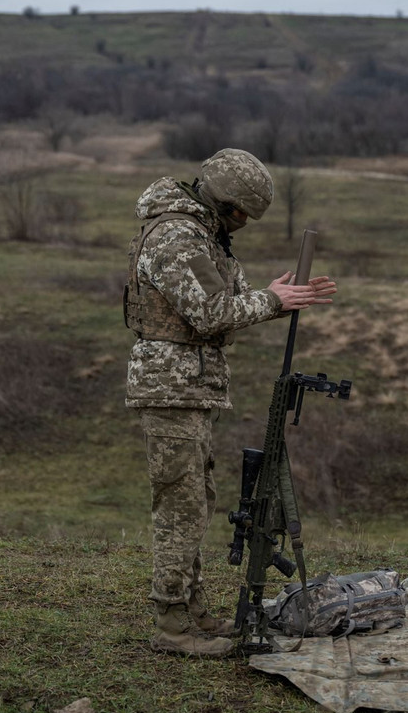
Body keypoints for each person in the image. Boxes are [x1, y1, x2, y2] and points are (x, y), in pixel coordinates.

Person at [124, 148, 336, 657]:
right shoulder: (177, 235)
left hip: (189, 388)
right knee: (180, 507)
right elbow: (211, 312)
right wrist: (272, 302)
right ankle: (172, 625)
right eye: (242, 213)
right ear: (225, 201)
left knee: (195, 502)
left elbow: (230, 300)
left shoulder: (202, 233)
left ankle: (192, 613)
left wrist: (274, 295)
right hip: (171, 388)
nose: (242, 224)